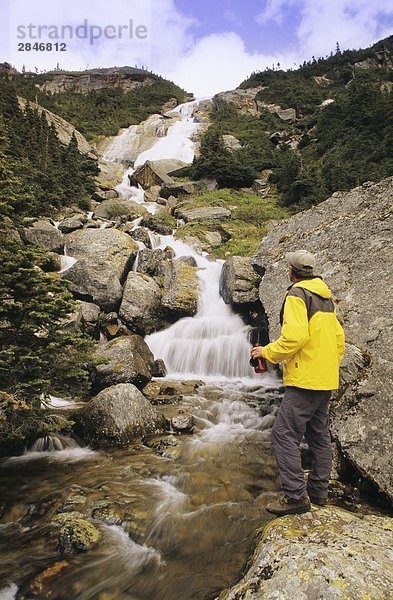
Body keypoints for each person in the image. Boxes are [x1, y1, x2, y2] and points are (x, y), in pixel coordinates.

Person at [250, 249, 345, 516]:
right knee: (319, 436)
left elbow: (294, 338)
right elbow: (339, 341)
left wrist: (266, 352)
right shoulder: (325, 298)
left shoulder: (297, 295)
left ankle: (295, 496)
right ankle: (318, 491)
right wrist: (326, 366)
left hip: (305, 380)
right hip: (325, 378)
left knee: (283, 435)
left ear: (291, 271)